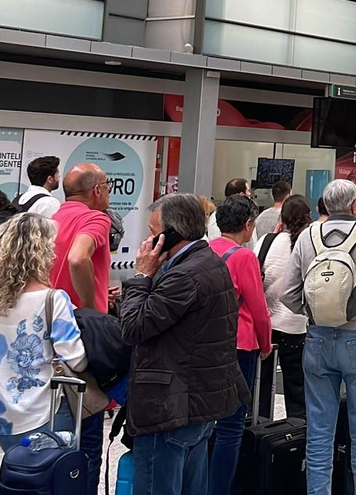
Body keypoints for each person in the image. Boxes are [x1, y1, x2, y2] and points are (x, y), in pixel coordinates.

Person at [119, 194, 247, 495]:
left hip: (170, 407)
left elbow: (133, 327)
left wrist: (141, 277)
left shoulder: (185, 275)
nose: (147, 241)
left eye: (153, 232)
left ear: (173, 234)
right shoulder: (208, 262)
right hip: (196, 401)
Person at [283, 179, 356, 495]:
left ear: (324, 205)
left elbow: (287, 293)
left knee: (319, 433)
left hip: (317, 340)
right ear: (354, 205)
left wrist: (314, 312)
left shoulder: (307, 236)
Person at [0, 213, 88, 450]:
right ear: (43, 251)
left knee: (17, 469)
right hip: (45, 411)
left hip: (2, 415)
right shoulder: (53, 299)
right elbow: (76, 360)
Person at [47, 163, 113, 489]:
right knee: (87, 436)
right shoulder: (95, 218)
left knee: (57, 434)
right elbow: (77, 258)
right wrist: (90, 309)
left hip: (49, 333)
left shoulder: (50, 220)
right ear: (96, 190)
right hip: (82, 336)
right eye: (108, 185)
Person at [207, 197, 273, 495]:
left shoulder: (205, 250)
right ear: (248, 225)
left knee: (205, 421)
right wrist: (266, 343)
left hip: (207, 343)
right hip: (240, 343)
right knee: (231, 425)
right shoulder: (245, 257)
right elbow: (258, 308)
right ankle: (220, 489)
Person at [256, 194, 311, 420]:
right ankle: (297, 435)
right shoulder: (310, 245)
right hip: (297, 327)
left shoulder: (266, 241)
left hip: (266, 327)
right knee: (297, 391)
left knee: (260, 390)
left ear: (282, 218)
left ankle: (260, 432)